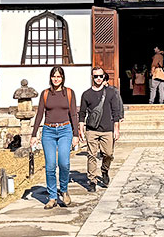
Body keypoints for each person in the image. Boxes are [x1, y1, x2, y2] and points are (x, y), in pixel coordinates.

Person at [30, 66, 79, 209]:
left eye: (59, 76)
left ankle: (63, 190)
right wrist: (34, 134)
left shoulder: (69, 93)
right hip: (49, 131)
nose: (56, 79)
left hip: (65, 130)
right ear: (50, 78)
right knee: (50, 165)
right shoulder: (45, 94)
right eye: (54, 76)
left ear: (62, 78)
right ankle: (52, 197)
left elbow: (73, 114)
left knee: (64, 163)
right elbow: (39, 114)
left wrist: (76, 134)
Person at [79, 67, 124, 192]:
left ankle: (105, 170)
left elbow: (116, 111)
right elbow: (82, 113)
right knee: (91, 155)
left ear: (104, 77)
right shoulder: (86, 94)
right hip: (92, 129)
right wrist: (81, 129)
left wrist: (116, 128)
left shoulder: (111, 92)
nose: (98, 79)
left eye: (100, 76)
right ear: (92, 77)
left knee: (108, 154)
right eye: (95, 76)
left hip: (107, 129)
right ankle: (92, 180)